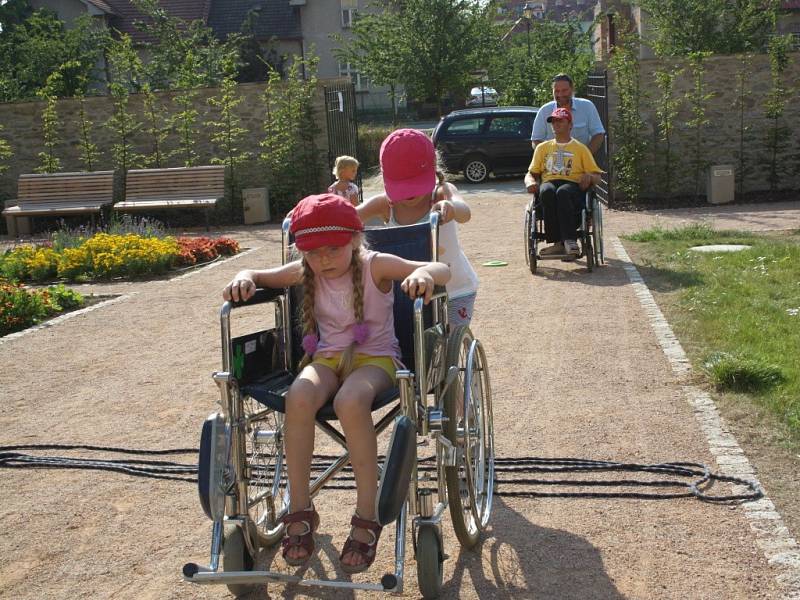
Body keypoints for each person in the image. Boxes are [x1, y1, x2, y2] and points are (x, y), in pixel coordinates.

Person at [222, 193, 449, 573]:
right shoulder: (306, 270)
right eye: (312, 252)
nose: (323, 258)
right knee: (299, 394)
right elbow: (262, 276)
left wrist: (423, 274)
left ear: (355, 241)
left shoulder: (375, 265)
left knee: (350, 400)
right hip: (325, 359)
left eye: (332, 249)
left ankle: (367, 513)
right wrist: (244, 276)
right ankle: (300, 509)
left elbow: (440, 268)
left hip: (375, 359)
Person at [357, 128, 479, 326]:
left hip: (455, 289)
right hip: (412, 290)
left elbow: (465, 212)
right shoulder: (385, 204)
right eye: (403, 187)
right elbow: (350, 214)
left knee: (449, 341)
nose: (410, 194)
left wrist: (451, 207)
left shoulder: (441, 192)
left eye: (414, 184)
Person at [524, 107, 602, 259]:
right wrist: (530, 182)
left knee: (563, 192)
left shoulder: (580, 148)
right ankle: (557, 242)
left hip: (572, 184)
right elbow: (531, 173)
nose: (556, 124)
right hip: (550, 181)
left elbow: (597, 175)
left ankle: (569, 240)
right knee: (546, 191)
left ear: (570, 125)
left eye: (560, 121)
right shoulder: (542, 148)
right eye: (553, 121)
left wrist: (589, 177)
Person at [531, 73, 606, 156]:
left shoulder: (587, 106)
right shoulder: (544, 111)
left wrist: (584, 157)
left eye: (564, 90)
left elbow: (599, 134)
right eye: (557, 91)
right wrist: (547, 157)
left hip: (581, 166)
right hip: (553, 165)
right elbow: (536, 140)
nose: (560, 94)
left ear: (572, 89)